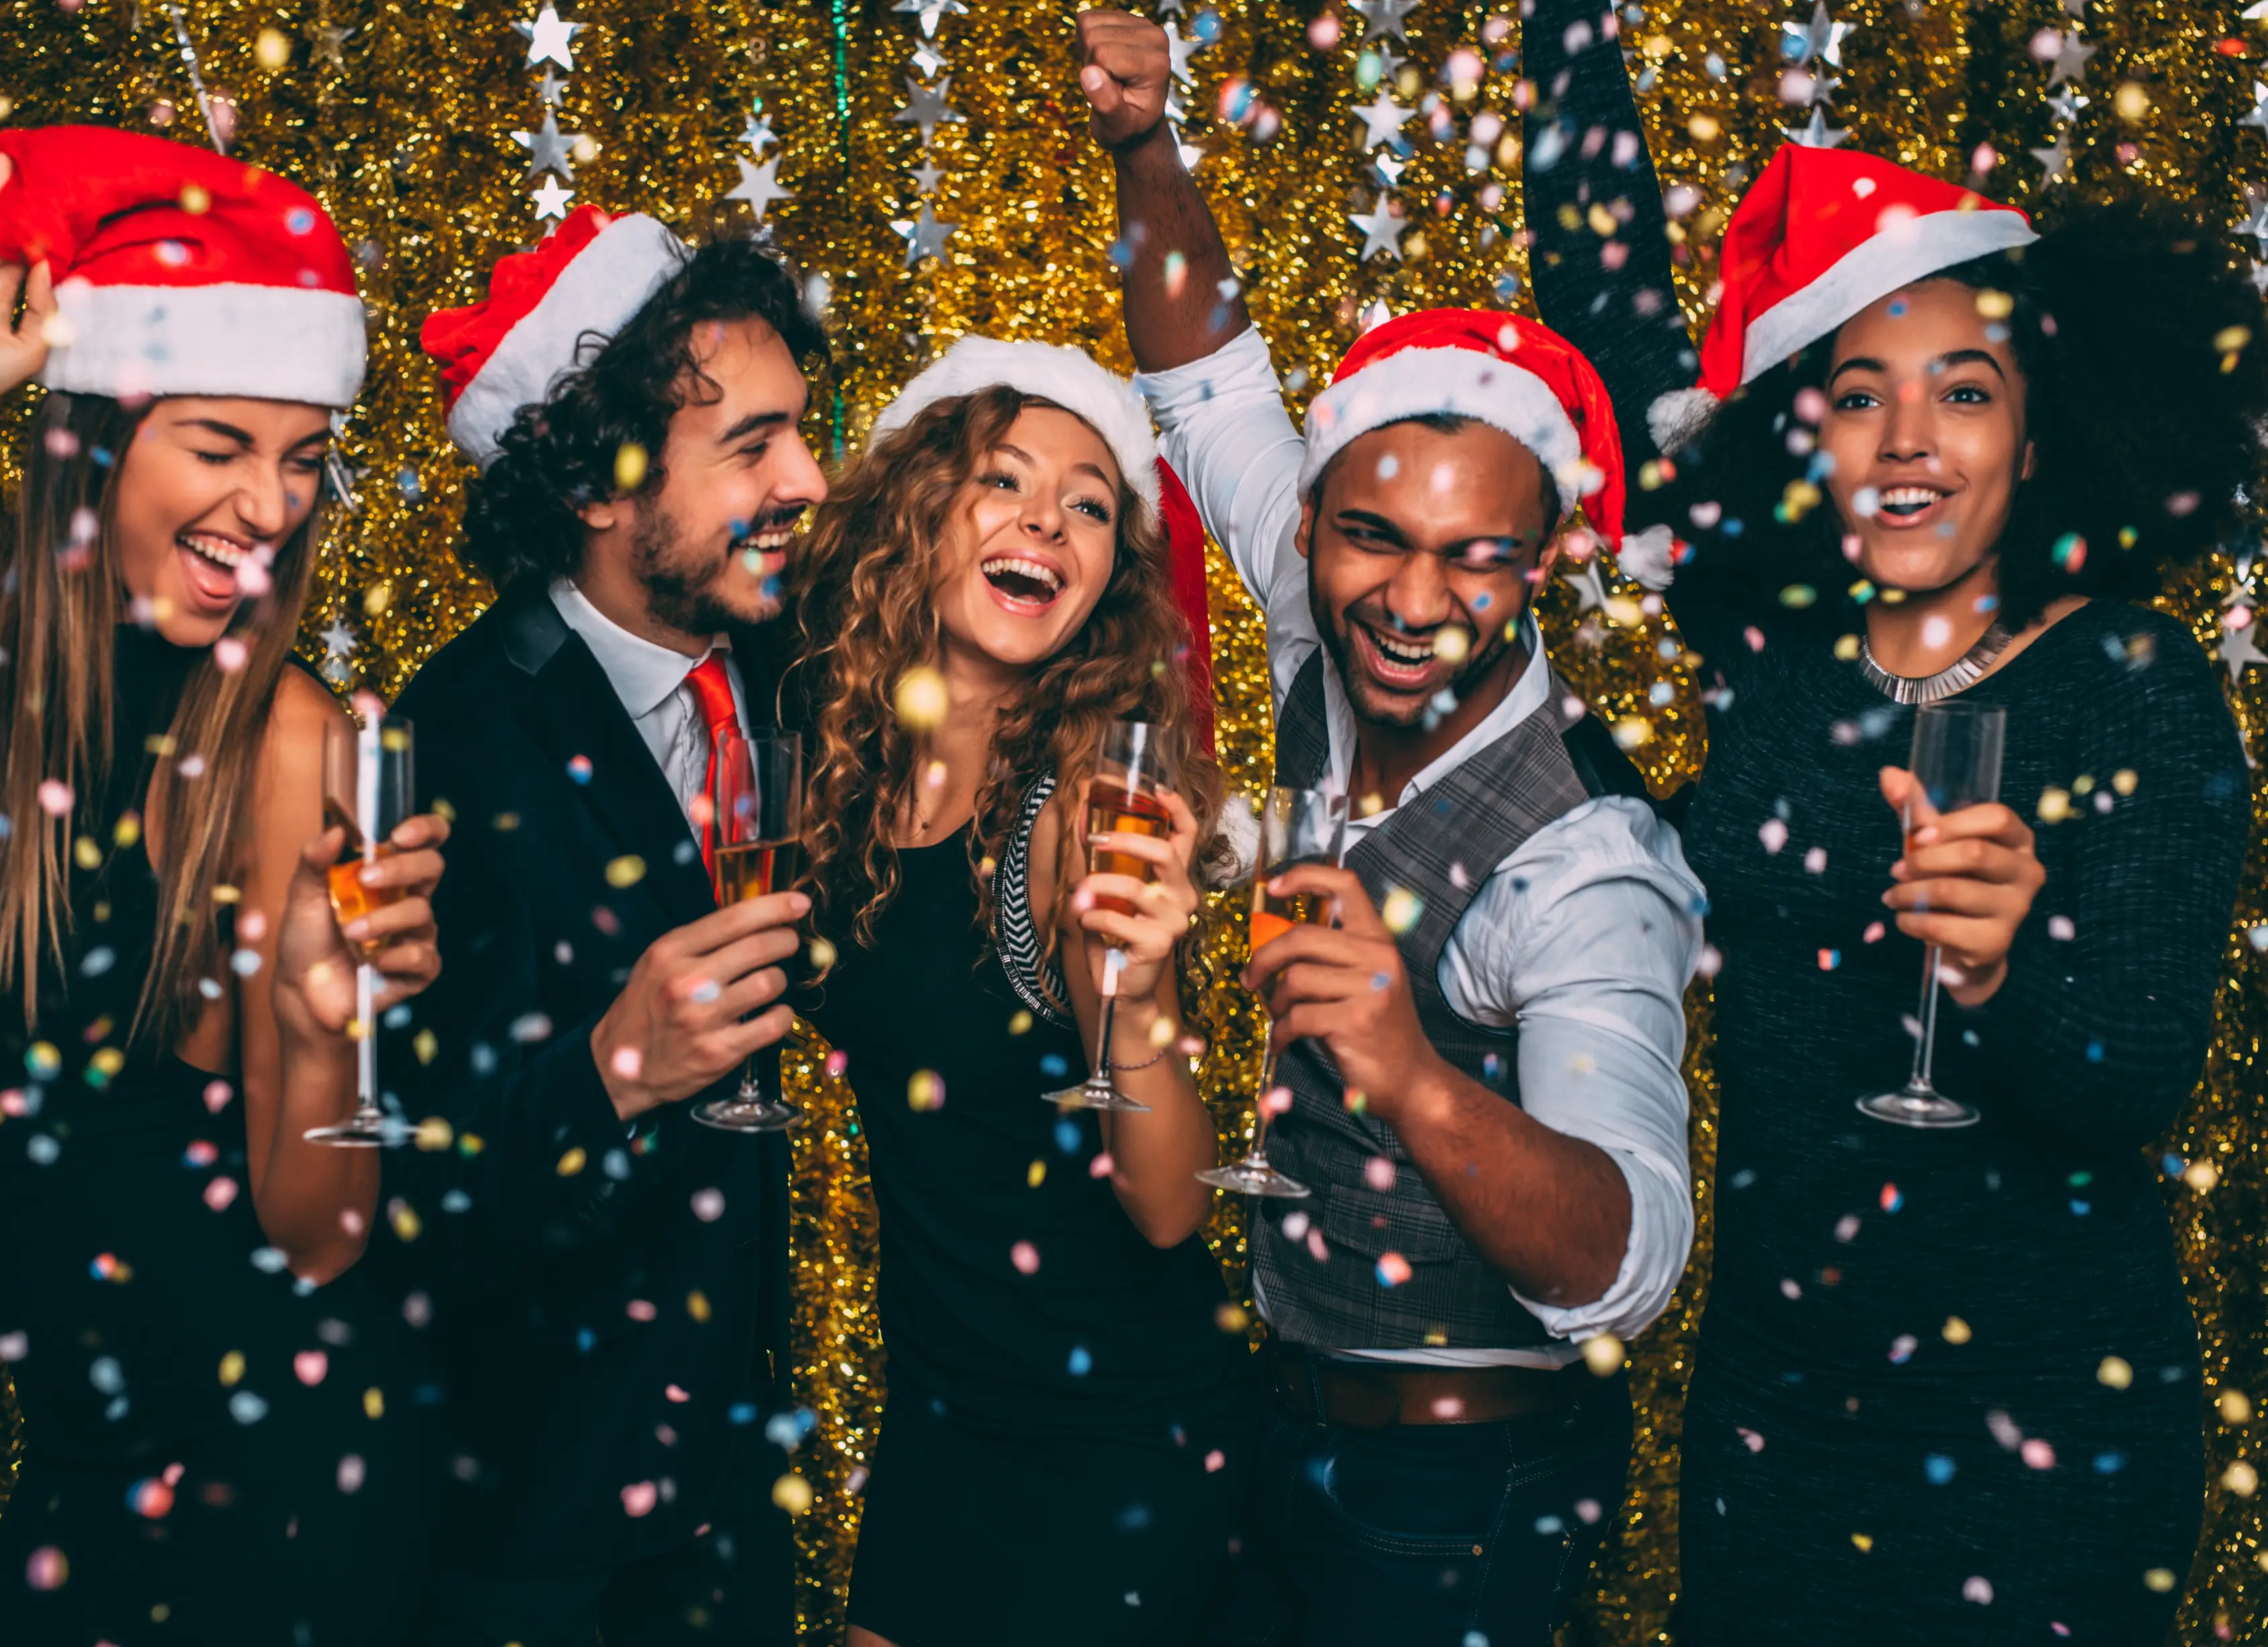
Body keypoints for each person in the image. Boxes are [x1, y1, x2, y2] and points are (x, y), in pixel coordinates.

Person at [1520, 5, 2263, 1640]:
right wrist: (1563, 36)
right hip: (1782, 1414)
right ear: (1811, 435)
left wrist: (2007, 979)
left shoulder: (2129, 681)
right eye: (1861, 394)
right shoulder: (1786, 673)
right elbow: (1611, 308)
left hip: (2044, 1429)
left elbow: (2129, 1078)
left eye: (1965, 391)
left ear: (2038, 426)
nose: (1910, 440)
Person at [0, 114, 450, 1641]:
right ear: (102, 429)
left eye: (302, 458)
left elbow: (321, 1235)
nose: (269, 506)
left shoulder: (298, 741)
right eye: (219, 444)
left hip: (259, 1473)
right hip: (88, 1459)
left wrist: (325, 1033)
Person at [1073, 12, 1705, 1645]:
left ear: (1543, 558)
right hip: (1276, 1421)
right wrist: (1147, 146)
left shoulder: (1586, 859)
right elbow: (1205, 376)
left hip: (1462, 1497)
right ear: (1314, 523)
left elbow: (1631, 1259)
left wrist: (1410, 1066)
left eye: (1473, 559)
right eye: (1370, 539)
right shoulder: (1316, 618)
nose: (1414, 602)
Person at [392, 205, 826, 1645]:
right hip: (541, 1536)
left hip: (742, 1501)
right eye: (753, 444)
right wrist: (612, 1070)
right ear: (598, 480)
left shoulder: (792, 668)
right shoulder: (449, 741)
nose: (808, 478)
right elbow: (392, 1191)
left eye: (802, 432)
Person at [779, 335, 1253, 1647]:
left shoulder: (1078, 812)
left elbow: (1167, 1204)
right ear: (916, 514)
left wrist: (1144, 989)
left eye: (1091, 502)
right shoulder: (839, 772)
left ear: (1105, 579)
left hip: (1120, 1431)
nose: (1047, 516)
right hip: (942, 1413)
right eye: (1004, 478)